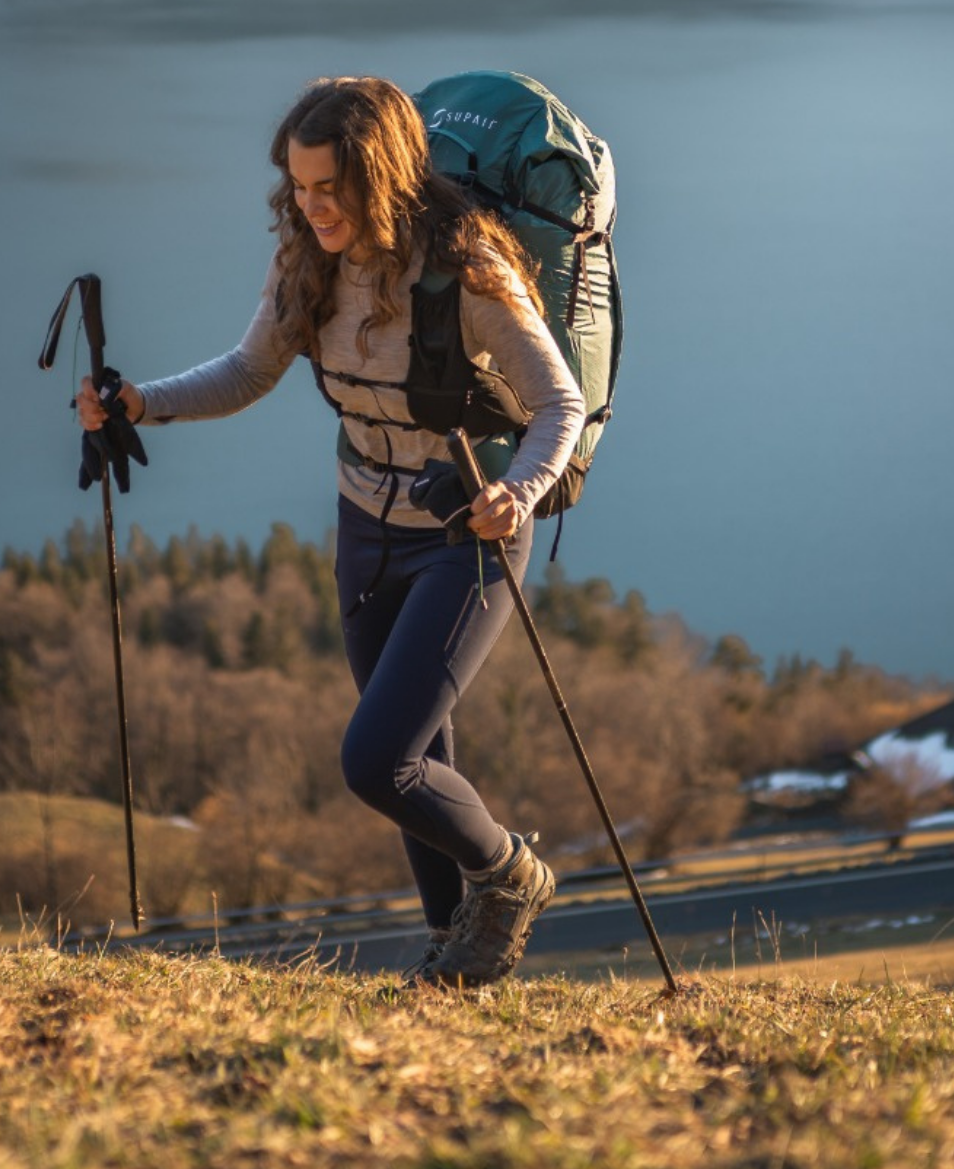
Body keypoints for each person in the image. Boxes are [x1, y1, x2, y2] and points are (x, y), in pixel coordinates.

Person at [76, 75, 584, 986]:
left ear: (381, 177)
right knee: (422, 759)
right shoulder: (306, 261)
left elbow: (558, 404)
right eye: (299, 189)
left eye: (330, 190)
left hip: (465, 534)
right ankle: (456, 963)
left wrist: (520, 489)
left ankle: (510, 877)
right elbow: (246, 371)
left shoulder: (468, 269)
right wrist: (139, 404)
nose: (311, 208)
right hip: (364, 527)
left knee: (378, 760)